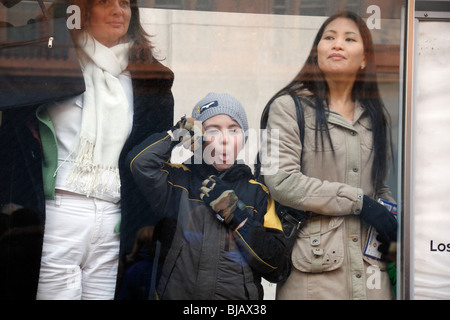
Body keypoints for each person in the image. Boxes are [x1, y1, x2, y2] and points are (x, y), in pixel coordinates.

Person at [0, 0, 174, 300]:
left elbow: (149, 158)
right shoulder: (54, 61)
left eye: (126, 4)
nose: (119, 11)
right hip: (58, 213)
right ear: (83, 10)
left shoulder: (146, 78)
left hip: (113, 219)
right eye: (107, 2)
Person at [258, 11, 398, 300]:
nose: (337, 44)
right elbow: (280, 180)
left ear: (363, 60)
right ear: (316, 53)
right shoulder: (285, 107)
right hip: (313, 270)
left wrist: (392, 225)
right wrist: (359, 202)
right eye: (329, 38)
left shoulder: (376, 118)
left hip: (371, 272)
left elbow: (379, 188)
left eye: (349, 39)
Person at [126, 92, 292, 300]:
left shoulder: (258, 192)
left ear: (244, 139)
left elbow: (278, 267)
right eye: (213, 130)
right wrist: (177, 134)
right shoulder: (178, 180)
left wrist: (237, 216)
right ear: (199, 137)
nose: (224, 140)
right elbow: (139, 163)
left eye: (233, 130)